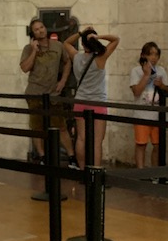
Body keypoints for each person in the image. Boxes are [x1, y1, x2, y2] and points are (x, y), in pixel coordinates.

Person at [20, 18, 74, 162]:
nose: (40, 31)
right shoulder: (28, 48)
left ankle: (71, 156)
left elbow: (67, 62)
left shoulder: (58, 45)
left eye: (41, 27)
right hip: (35, 93)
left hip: (53, 94)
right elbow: (25, 68)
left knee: (60, 126)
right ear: (33, 33)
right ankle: (42, 156)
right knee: (37, 127)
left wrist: (63, 81)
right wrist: (34, 51)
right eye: (36, 29)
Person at [66, 27, 119, 167]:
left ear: (82, 44)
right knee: (97, 142)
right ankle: (95, 171)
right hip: (98, 103)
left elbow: (66, 43)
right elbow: (116, 39)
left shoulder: (76, 57)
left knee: (81, 139)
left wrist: (80, 33)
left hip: (80, 102)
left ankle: (83, 169)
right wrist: (98, 36)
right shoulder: (100, 58)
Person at [129, 41, 168, 169]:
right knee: (141, 144)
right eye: (150, 54)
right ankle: (140, 171)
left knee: (157, 145)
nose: (153, 57)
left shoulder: (161, 71)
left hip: (157, 115)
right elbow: (136, 91)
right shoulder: (136, 71)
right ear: (143, 55)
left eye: (156, 54)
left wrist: (161, 85)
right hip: (142, 114)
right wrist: (146, 76)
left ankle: (154, 171)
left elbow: (167, 90)